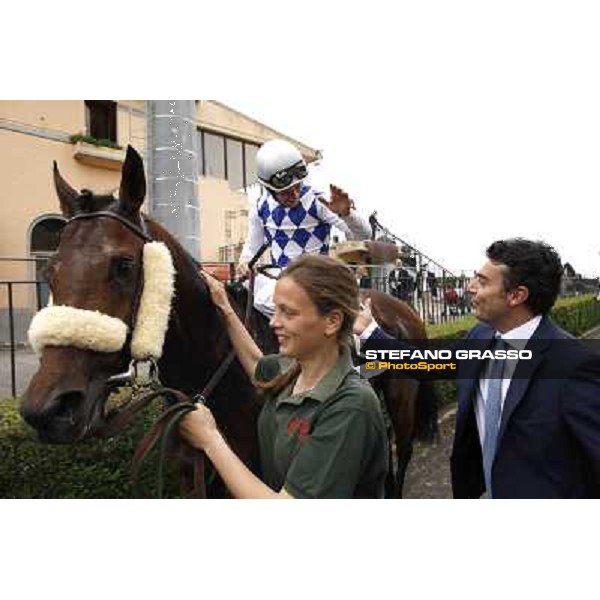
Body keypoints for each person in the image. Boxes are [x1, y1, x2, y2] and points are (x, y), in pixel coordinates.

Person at [354, 238, 600, 498]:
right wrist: (371, 333)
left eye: (482, 282)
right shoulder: (482, 337)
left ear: (516, 295)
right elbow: (426, 364)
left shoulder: (574, 365)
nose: (470, 288)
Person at [180, 255, 389, 499]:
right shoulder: (294, 369)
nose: (273, 322)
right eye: (276, 309)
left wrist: (209, 440)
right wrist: (225, 308)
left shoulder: (351, 406)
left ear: (332, 322)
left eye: (288, 313)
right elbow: (256, 363)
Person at [238, 139, 371, 315]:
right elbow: (250, 249)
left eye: (297, 187)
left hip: (318, 279)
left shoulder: (319, 201)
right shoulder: (260, 208)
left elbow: (362, 235)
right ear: (270, 189)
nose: (294, 195)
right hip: (282, 280)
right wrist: (244, 263)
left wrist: (347, 215)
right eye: (286, 192)